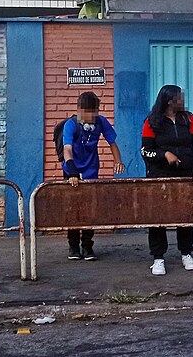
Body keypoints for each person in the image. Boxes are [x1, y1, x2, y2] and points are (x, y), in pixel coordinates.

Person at [140, 84, 193, 276]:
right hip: (159, 176)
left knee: (185, 216)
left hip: (186, 176)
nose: (183, 100)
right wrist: (164, 155)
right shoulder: (151, 122)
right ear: (169, 101)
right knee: (158, 217)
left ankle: (186, 254)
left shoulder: (189, 119)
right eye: (179, 97)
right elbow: (145, 151)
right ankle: (158, 258)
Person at [61, 91, 125, 260]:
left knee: (89, 209)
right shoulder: (71, 124)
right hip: (72, 169)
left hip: (91, 170)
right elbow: (67, 149)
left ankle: (87, 246)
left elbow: (112, 142)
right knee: (73, 209)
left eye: (95, 111)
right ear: (80, 110)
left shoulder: (101, 122)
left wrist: (118, 160)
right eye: (88, 112)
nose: (92, 115)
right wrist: (72, 172)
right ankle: (73, 246)